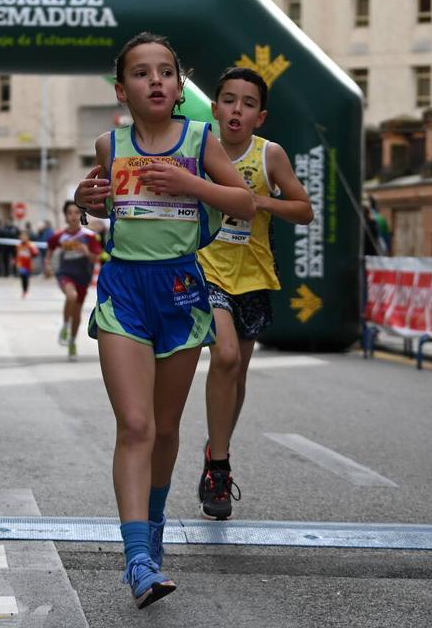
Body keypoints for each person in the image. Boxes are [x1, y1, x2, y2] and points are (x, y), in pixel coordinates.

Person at [74, 32, 254, 608]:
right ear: (121, 89)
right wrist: (83, 200)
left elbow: (245, 202)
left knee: (166, 428)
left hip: (180, 290)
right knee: (135, 425)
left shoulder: (201, 140)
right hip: (124, 289)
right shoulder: (109, 144)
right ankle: (137, 560)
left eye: (166, 72)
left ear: (179, 87)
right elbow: (96, 204)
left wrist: (190, 183)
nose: (155, 80)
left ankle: (152, 528)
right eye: (141, 72)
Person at [194, 67, 314, 519]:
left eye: (247, 104)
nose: (236, 110)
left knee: (238, 375)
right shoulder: (198, 147)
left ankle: (216, 447)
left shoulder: (270, 155)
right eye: (229, 100)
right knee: (224, 356)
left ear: (259, 116)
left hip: (254, 275)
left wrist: (258, 201)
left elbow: (304, 210)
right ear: (215, 108)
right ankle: (220, 469)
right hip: (206, 269)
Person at [45, 200, 103, 360]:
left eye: (76, 212)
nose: (73, 216)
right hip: (65, 274)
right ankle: (65, 326)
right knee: (71, 296)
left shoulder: (89, 236)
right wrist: (47, 266)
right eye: (69, 213)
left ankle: (72, 341)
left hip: (83, 276)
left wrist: (86, 252)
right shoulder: (59, 236)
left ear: (81, 215)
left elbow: (96, 258)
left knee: (77, 313)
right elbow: (49, 251)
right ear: (65, 216)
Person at [15, 228, 39, 297]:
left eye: (24, 236)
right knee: (22, 277)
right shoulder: (19, 245)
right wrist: (16, 262)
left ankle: (26, 290)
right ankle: (24, 290)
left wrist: (32, 251)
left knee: (26, 277)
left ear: (28, 237)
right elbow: (18, 255)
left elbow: (36, 253)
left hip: (28, 264)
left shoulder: (30, 245)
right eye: (22, 236)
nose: (23, 238)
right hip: (21, 264)